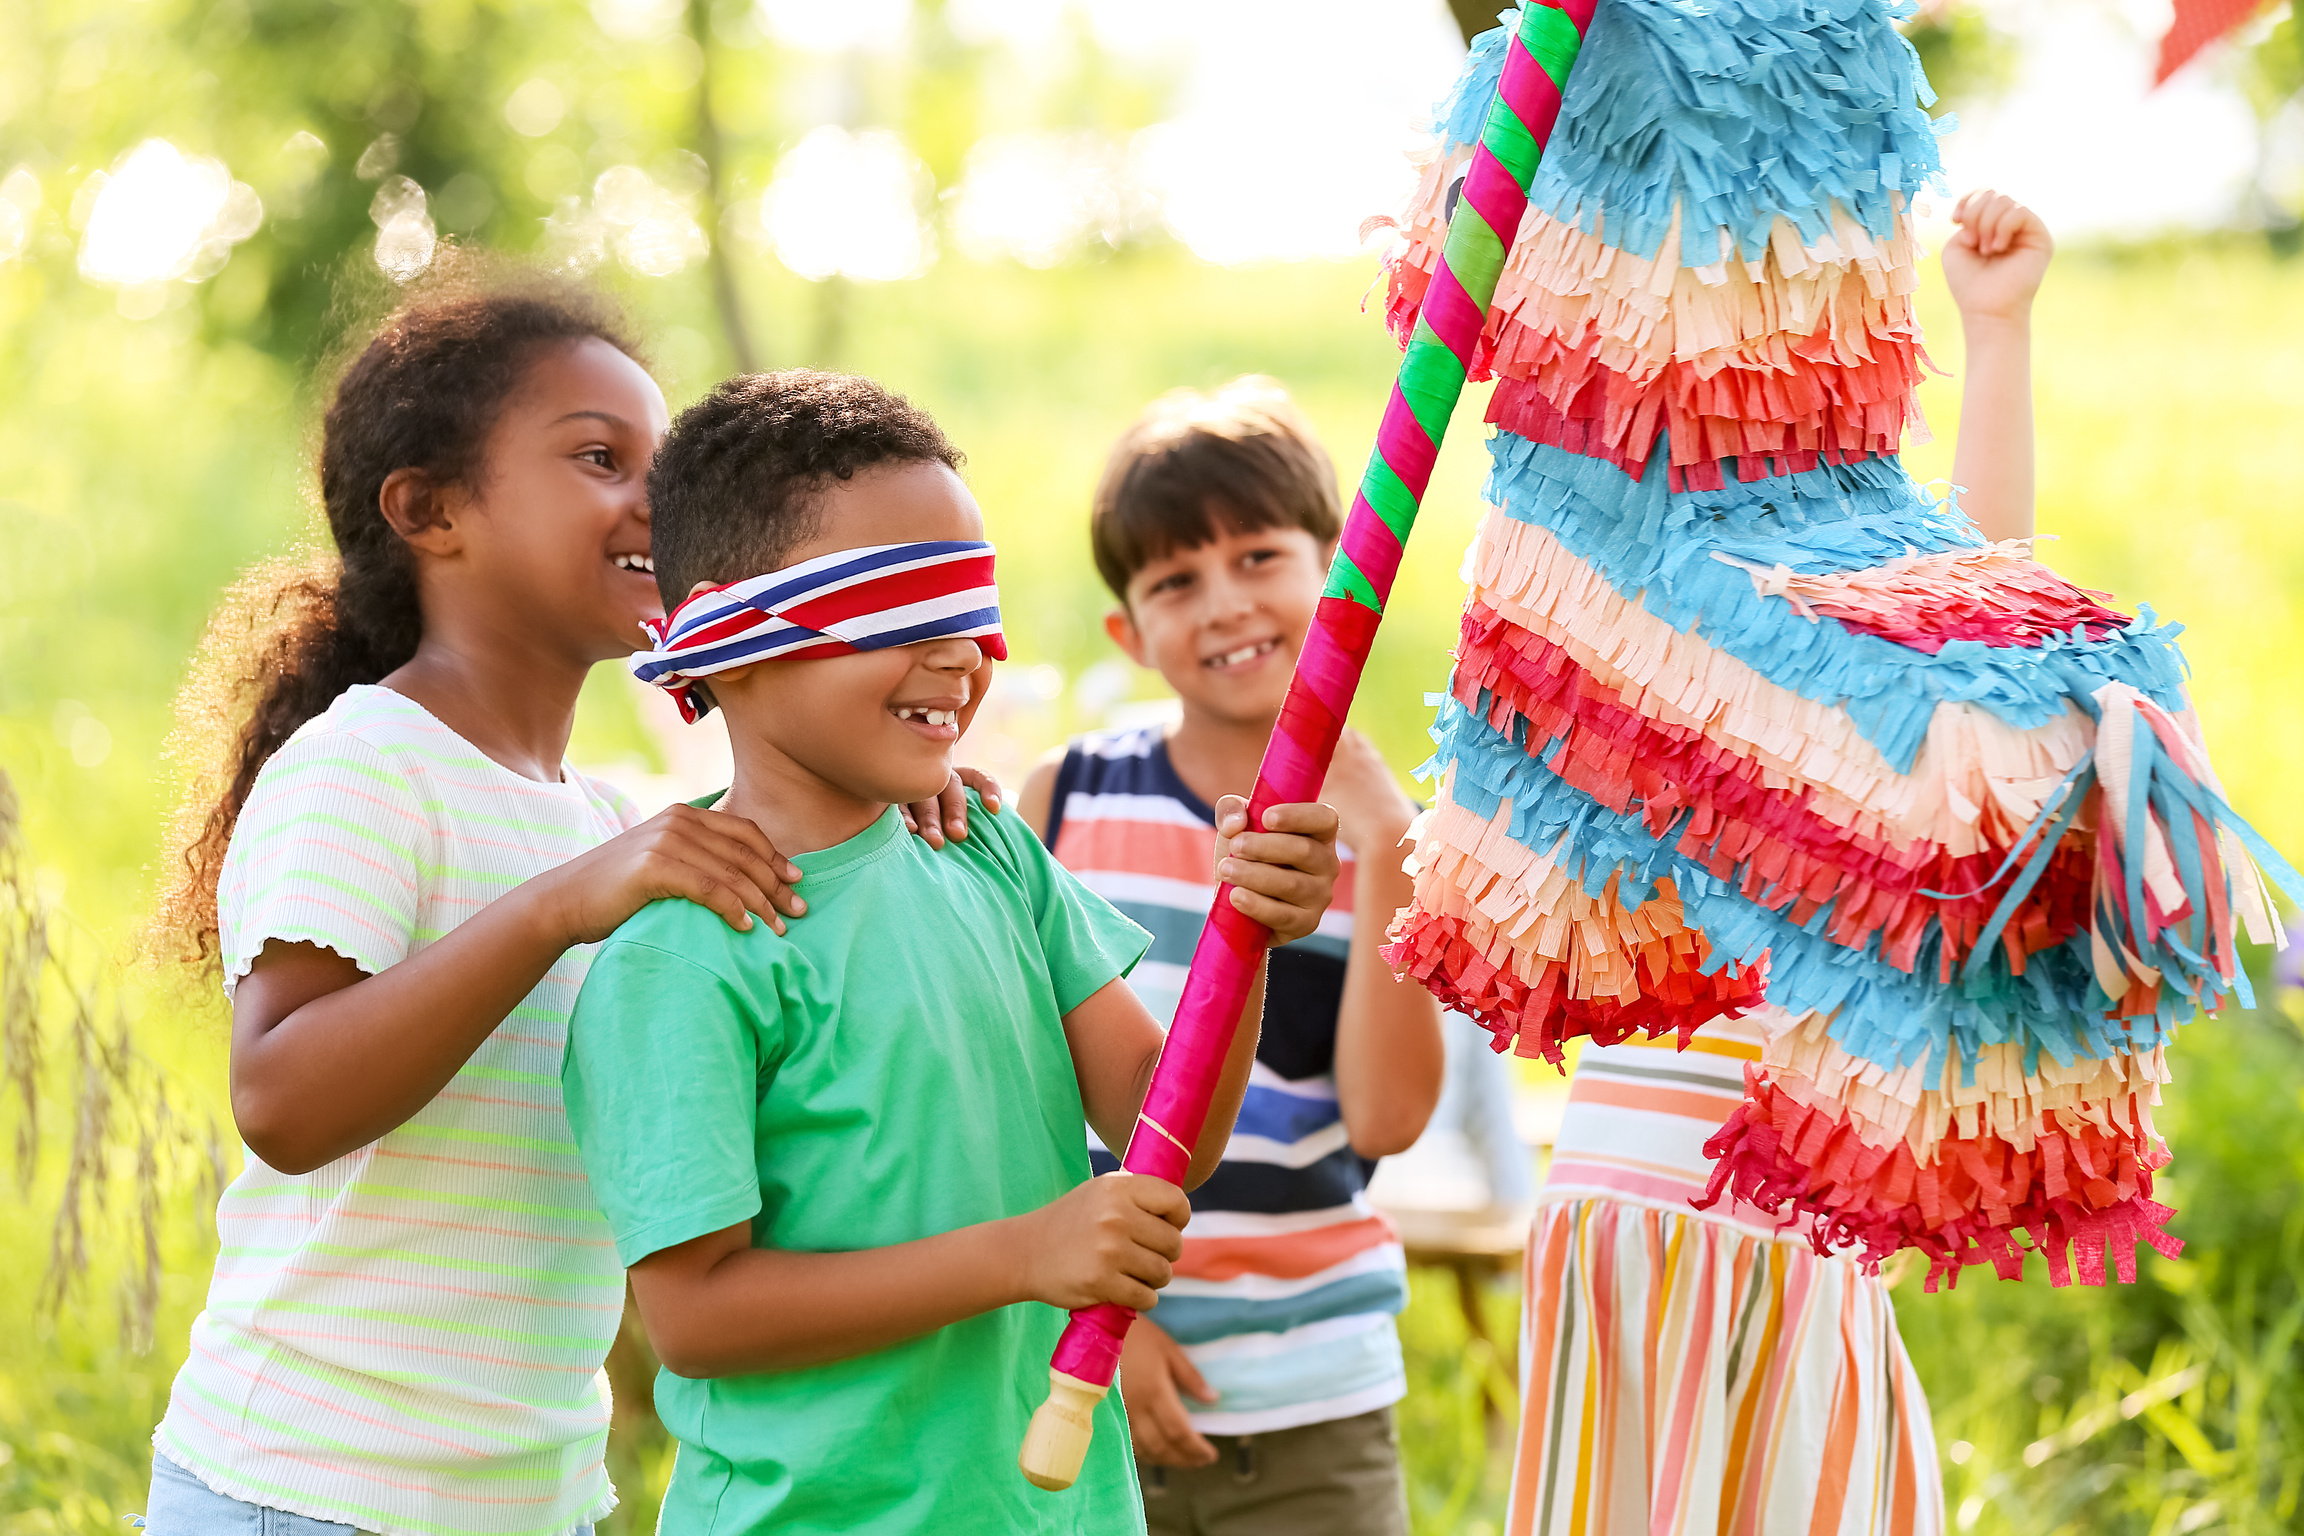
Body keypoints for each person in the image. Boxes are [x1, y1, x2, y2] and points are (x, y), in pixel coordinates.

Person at [143, 267, 990, 1536]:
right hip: (307, 1489)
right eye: (601, 457)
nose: (657, 499)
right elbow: (283, 1098)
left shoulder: (607, 822)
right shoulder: (364, 764)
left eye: (663, 462)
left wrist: (900, 779)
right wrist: (559, 905)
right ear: (433, 512)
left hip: (529, 1502)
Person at [557, 369, 1346, 1536]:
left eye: (967, 612)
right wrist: (1023, 1255)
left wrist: (1250, 935)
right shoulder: (685, 952)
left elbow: (1158, 1126)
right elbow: (696, 1318)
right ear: (730, 644)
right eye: (898, 615)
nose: (961, 659)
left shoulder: (991, 856)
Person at [1508, 189, 2054, 1536]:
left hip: (1775, 1215)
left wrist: (1992, 336)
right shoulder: (1616, 633)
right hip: (1625, 1204)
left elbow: (1976, 626)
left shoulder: (1846, 692)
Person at [1017, 376, 1447, 1535]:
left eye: (1259, 558)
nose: (1222, 605)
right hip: (1089, 1371)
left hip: (1315, 1392)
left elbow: (1386, 1118)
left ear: (1333, 570)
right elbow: (1027, 1089)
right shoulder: (1067, 797)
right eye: (1175, 581)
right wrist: (1106, 1317)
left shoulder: (1393, 830)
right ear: (1128, 630)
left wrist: (1391, 849)